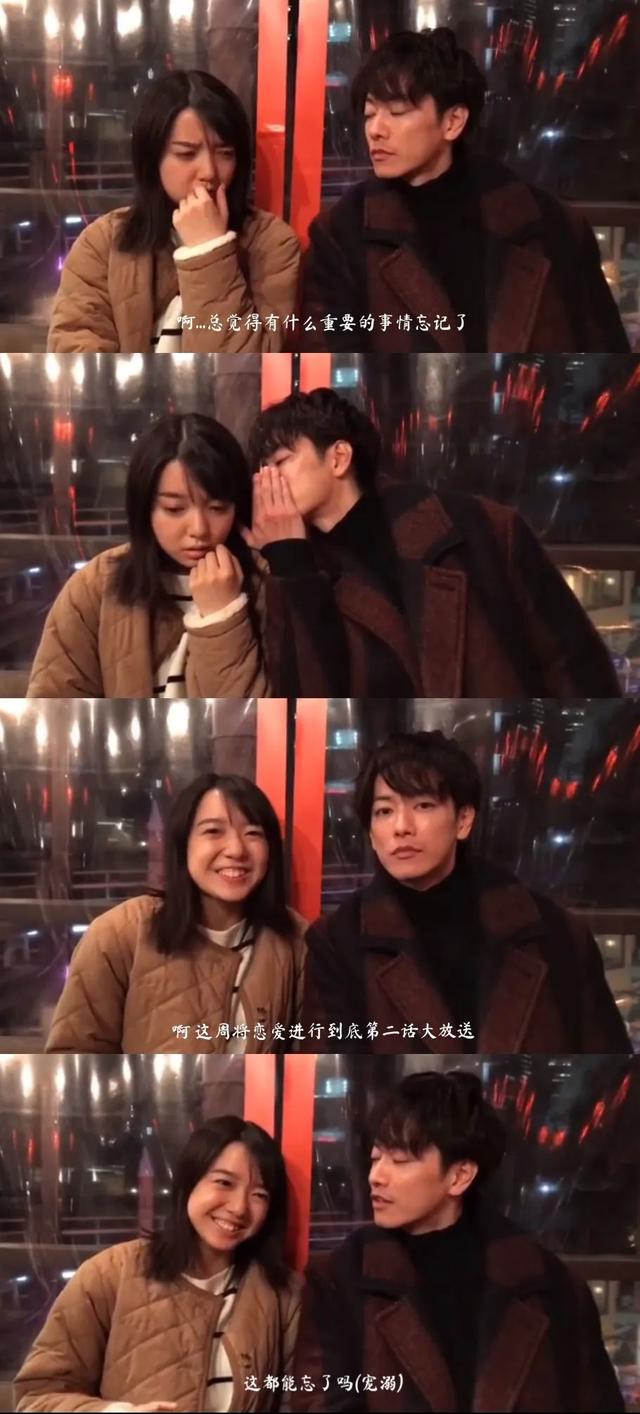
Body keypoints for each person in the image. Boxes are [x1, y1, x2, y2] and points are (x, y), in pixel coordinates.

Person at [247, 387, 621, 697]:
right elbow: (305, 697)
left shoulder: (478, 527)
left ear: (338, 458)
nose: (266, 481)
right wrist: (289, 561)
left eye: (280, 462)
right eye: (260, 469)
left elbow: (574, 663)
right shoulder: (292, 565)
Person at [291, 1071, 625, 1413]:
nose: (376, 1176)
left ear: (459, 1175)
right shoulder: (340, 1278)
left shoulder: (553, 1286)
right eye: (376, 1158)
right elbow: (319, 1401)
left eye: (400, 1161)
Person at [300, 28, 630, 354]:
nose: (375, 130)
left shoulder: (552, 226)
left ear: (453, 121)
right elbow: (326, 357)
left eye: (397, 112)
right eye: (369, 114)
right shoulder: (342, 233)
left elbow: (606, 357)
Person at [300, 731, 631, 1055]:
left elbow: (608, 1057)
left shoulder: (558, 934)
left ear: (463, 820)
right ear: (371, 834)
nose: (401, 827)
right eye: (384, 811)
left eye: (423, 805)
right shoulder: (337, 942)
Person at [15, 1116, 302, 1413]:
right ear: (190, 1181)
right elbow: (36, 1397)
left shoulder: (283, 1296)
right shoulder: (109, 1274)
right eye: (224, 1183)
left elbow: (296, 1400)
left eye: (259, 1195)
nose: (239, 1207)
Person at [45, 772, 306, 1053]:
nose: (236, 849)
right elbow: (74, 1055)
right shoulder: (119, 933)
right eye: (213, 831)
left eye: (253, 833)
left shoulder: (296, 941)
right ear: (183, 844)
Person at [48, 70, 300, 353]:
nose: (209, 171)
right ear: (152, 158)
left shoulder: (272, 243)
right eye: (186, 154)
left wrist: (209, 251)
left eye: (225, 153)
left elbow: (248, 365)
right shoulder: (103, 243)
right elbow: (76, 351)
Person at [27, 412, 268, 698]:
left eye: (217, 508)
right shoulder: (96, 586)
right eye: (174, 509)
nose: (199, 529)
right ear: (145, 507)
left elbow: (253, 719)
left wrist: (223, 617)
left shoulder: (264, 582)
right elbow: (54, 708)